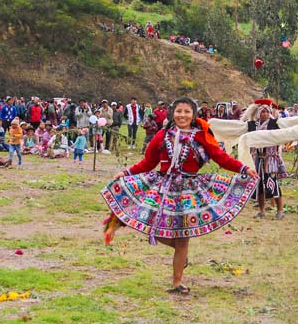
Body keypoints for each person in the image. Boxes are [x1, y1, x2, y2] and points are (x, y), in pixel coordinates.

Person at [102, 97, 257, 294]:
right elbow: (148, 163)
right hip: (163, 187)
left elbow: (220, 157)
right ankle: (181, 256)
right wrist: (126, 173)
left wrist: (243, 168)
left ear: (193, 115)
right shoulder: (162, 135)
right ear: (172, 113)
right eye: (178, 111)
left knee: (183, 237)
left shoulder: (202, 136)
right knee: (153, 229)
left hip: (189, 190)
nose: (182, 115)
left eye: (186, 111)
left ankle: (177, 283)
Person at [243, 100, 287, 219]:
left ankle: (280, 210)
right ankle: (262, 211)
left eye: (267, 112)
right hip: (257, 158)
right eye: (262, 112)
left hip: (270, 159)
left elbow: (283, 131)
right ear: (258, 113)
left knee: (273, 184)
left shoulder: (274, 123)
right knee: (259, 185)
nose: (265, 114)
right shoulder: (253, 125)